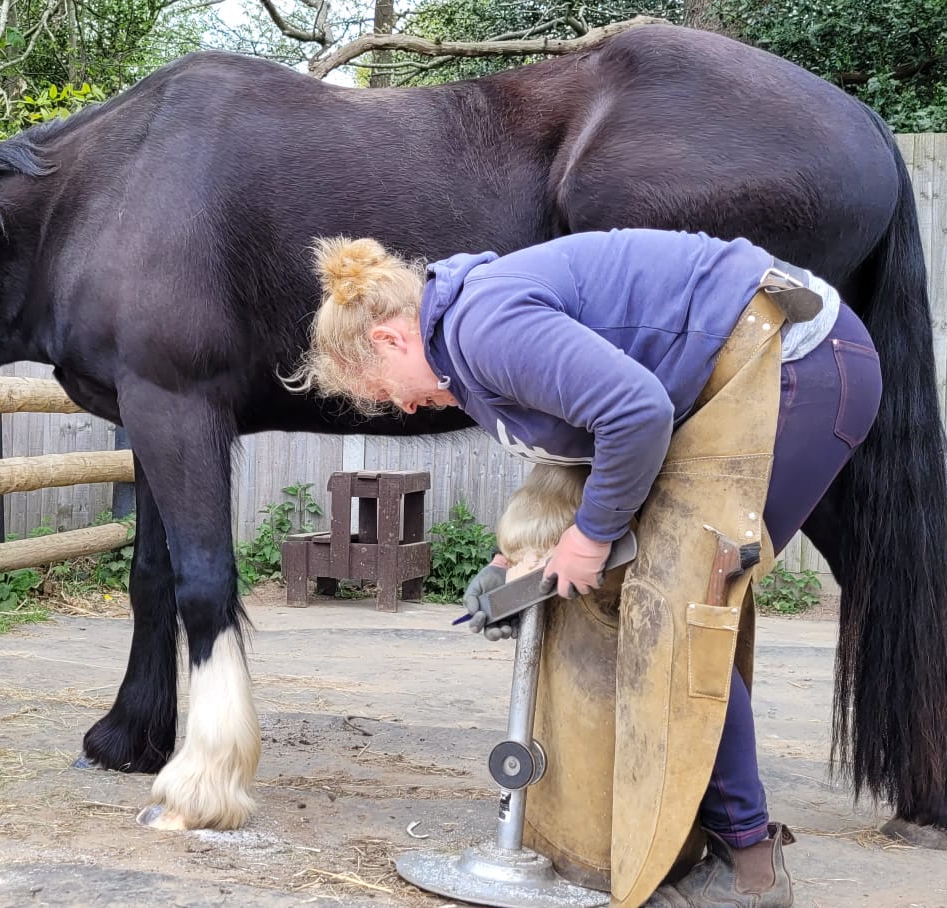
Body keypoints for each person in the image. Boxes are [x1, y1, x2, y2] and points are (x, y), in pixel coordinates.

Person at [283, 227, 884, 908]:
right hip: (743, 376)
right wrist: (520, 555)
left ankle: (750, 867)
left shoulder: (485, 326)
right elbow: (578, 443)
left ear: (390, 340)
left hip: (797, 367)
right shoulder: (463, 344)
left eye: (384, 391)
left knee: (682, 616)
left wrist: (590, 539)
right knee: (658, 609)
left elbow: (634, 412)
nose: (403, 405)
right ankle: (660, 840)